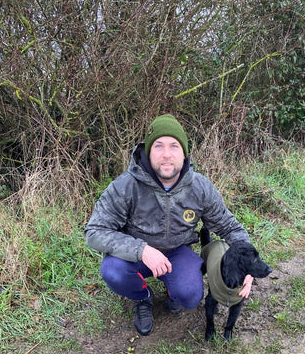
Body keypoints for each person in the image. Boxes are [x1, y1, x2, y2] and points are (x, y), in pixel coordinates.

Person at [84, 114, 253, 336]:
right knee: (112, 271)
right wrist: (141, 250)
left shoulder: (200, 187)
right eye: (158, 146)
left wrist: (246, 263)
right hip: (136, 256)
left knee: (190, 296)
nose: (166, 154)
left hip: (177, 252)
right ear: (147, 151)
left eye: (174, 146)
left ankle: (174, 291)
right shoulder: (125, 186)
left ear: (184, 153)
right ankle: (143, 297)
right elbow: (94, 232)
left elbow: (230, 227)